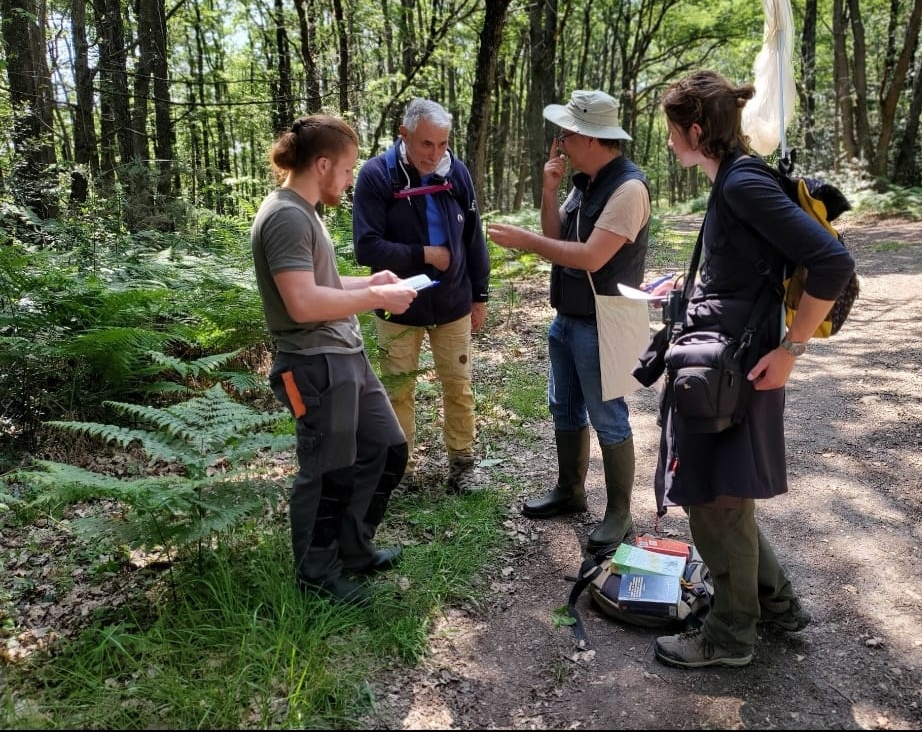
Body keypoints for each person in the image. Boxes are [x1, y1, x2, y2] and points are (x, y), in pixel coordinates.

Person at [649, 70, 855, 668]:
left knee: (718, 499)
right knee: (725, 491)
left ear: (693, 130)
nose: (667, 141)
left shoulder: (741, 183)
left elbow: (831, 262)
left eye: (670, 130)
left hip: (737, 369)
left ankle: (731, 636)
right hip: (723, 361)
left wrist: (792, 350)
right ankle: (776, 605)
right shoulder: (732, 183)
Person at [251, 114, 419, 606]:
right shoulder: (284, 215)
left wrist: (370, 283)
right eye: (346, 171)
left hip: (344, 353)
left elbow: (318, 284)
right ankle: (316, 575)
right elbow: (302, 304)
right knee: (326, 472)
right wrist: (375, 301)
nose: (349, 181)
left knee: (386, 448)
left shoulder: (305, 211)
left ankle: (354, 548)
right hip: (313, 363)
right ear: (322, 165)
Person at [488, 89, 651, 555]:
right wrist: (548, 190)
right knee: (565, 407)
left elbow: (590, 257)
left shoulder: (628, 188)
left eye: (566, 135)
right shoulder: (587, 181)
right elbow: (556, 235)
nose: (560, 143)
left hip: (605, 321)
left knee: (608, 416)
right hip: (568, 318)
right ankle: (570, 491)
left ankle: (619, 513)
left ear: (591, 138)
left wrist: (523, 241)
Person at [353, 98, 491, 495]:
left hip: (451, 303)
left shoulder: (457, 173)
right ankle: (399, 470)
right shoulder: (377, 176)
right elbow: (367, 247)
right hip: (397, 304)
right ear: (404, 135)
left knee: (459, 385)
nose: (435, 154)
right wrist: (424, 255)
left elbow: (473, 239)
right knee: (398, 390)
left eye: (443, 144)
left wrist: (479, 294)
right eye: (426, 144)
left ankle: (462, 465)